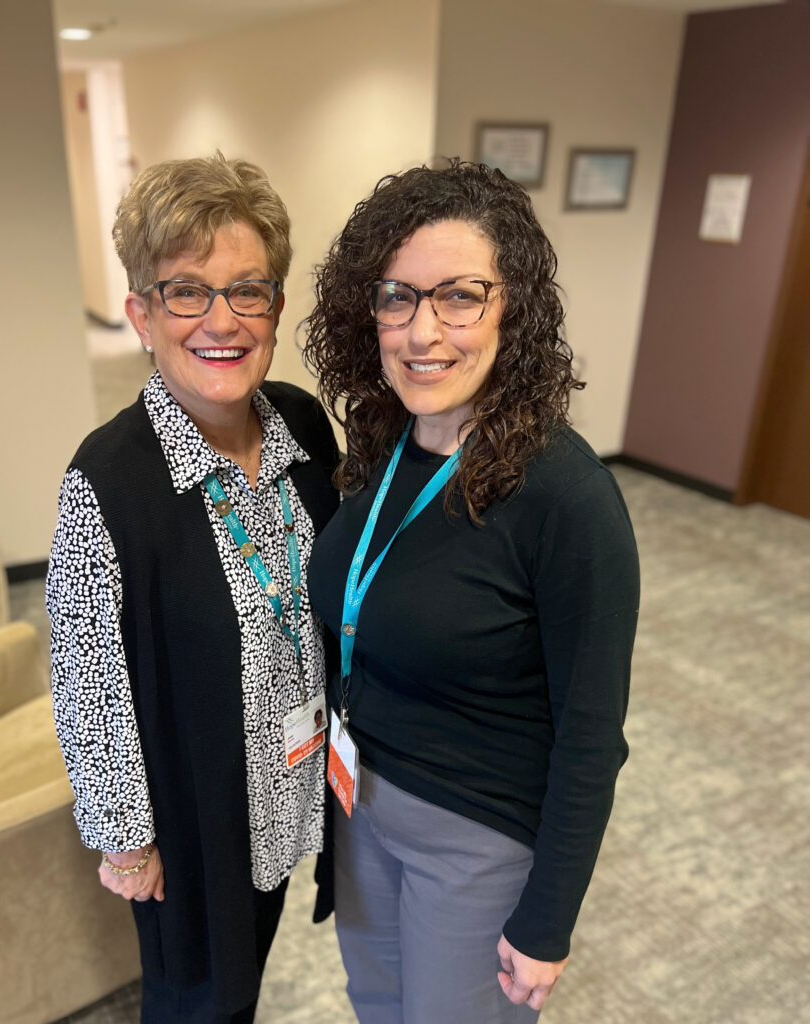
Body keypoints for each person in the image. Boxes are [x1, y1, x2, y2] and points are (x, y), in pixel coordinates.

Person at [303, 159, 640, 1023]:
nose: (423, 332)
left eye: (460, 296)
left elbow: (591, 736)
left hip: (476, 836)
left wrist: (547, 920)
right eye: (396, 297)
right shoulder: (383, 446)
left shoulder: (565, 497)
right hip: (362, 805)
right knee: (375, 1006)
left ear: (511, 308)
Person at [46, 154, 340, 1024]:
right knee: (198, 1003)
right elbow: (88, 682)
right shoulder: (109, 478)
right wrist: (128, 844)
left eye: (248, 290)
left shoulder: (301, 425)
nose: (222, 320)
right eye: (186, 291)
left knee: (246, 975)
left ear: (277, 308)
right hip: (191, 823)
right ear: (141, 313)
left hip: (287, 792)